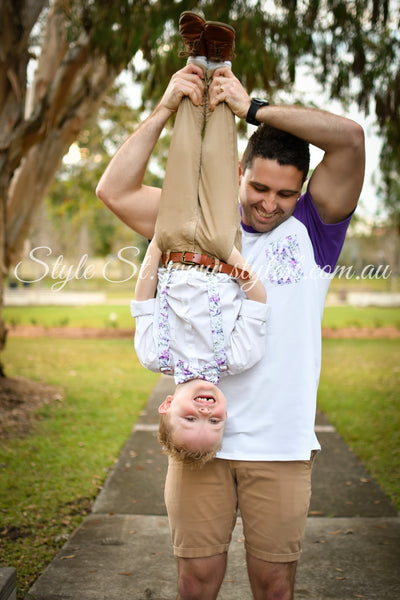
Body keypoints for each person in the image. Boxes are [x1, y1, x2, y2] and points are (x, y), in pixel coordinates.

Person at [96, 10, 365, 600]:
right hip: (200, 442)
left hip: (281, 444)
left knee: (274, 585)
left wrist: (252, 108)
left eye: (285, 193)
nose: (269, 205)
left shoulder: (315, 229)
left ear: (302, 190)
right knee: (197, 579)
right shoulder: (196, 223)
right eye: (259, 187)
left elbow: (348, 138)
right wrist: (168, 106)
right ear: (239, 172)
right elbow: (113, 190)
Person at [131, 16, 269, 465]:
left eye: (193, 421)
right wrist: (229, 254)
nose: (207, 415)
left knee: (185, 153)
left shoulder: (153, 356)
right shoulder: (239, 358)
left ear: (167, 406)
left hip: (170, 247)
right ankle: (221, 63)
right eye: (216, 423)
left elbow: (144, 299)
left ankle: (195, 57)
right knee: (216, 156)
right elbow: (258, 298)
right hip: (218, 249)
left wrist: (156, 246)